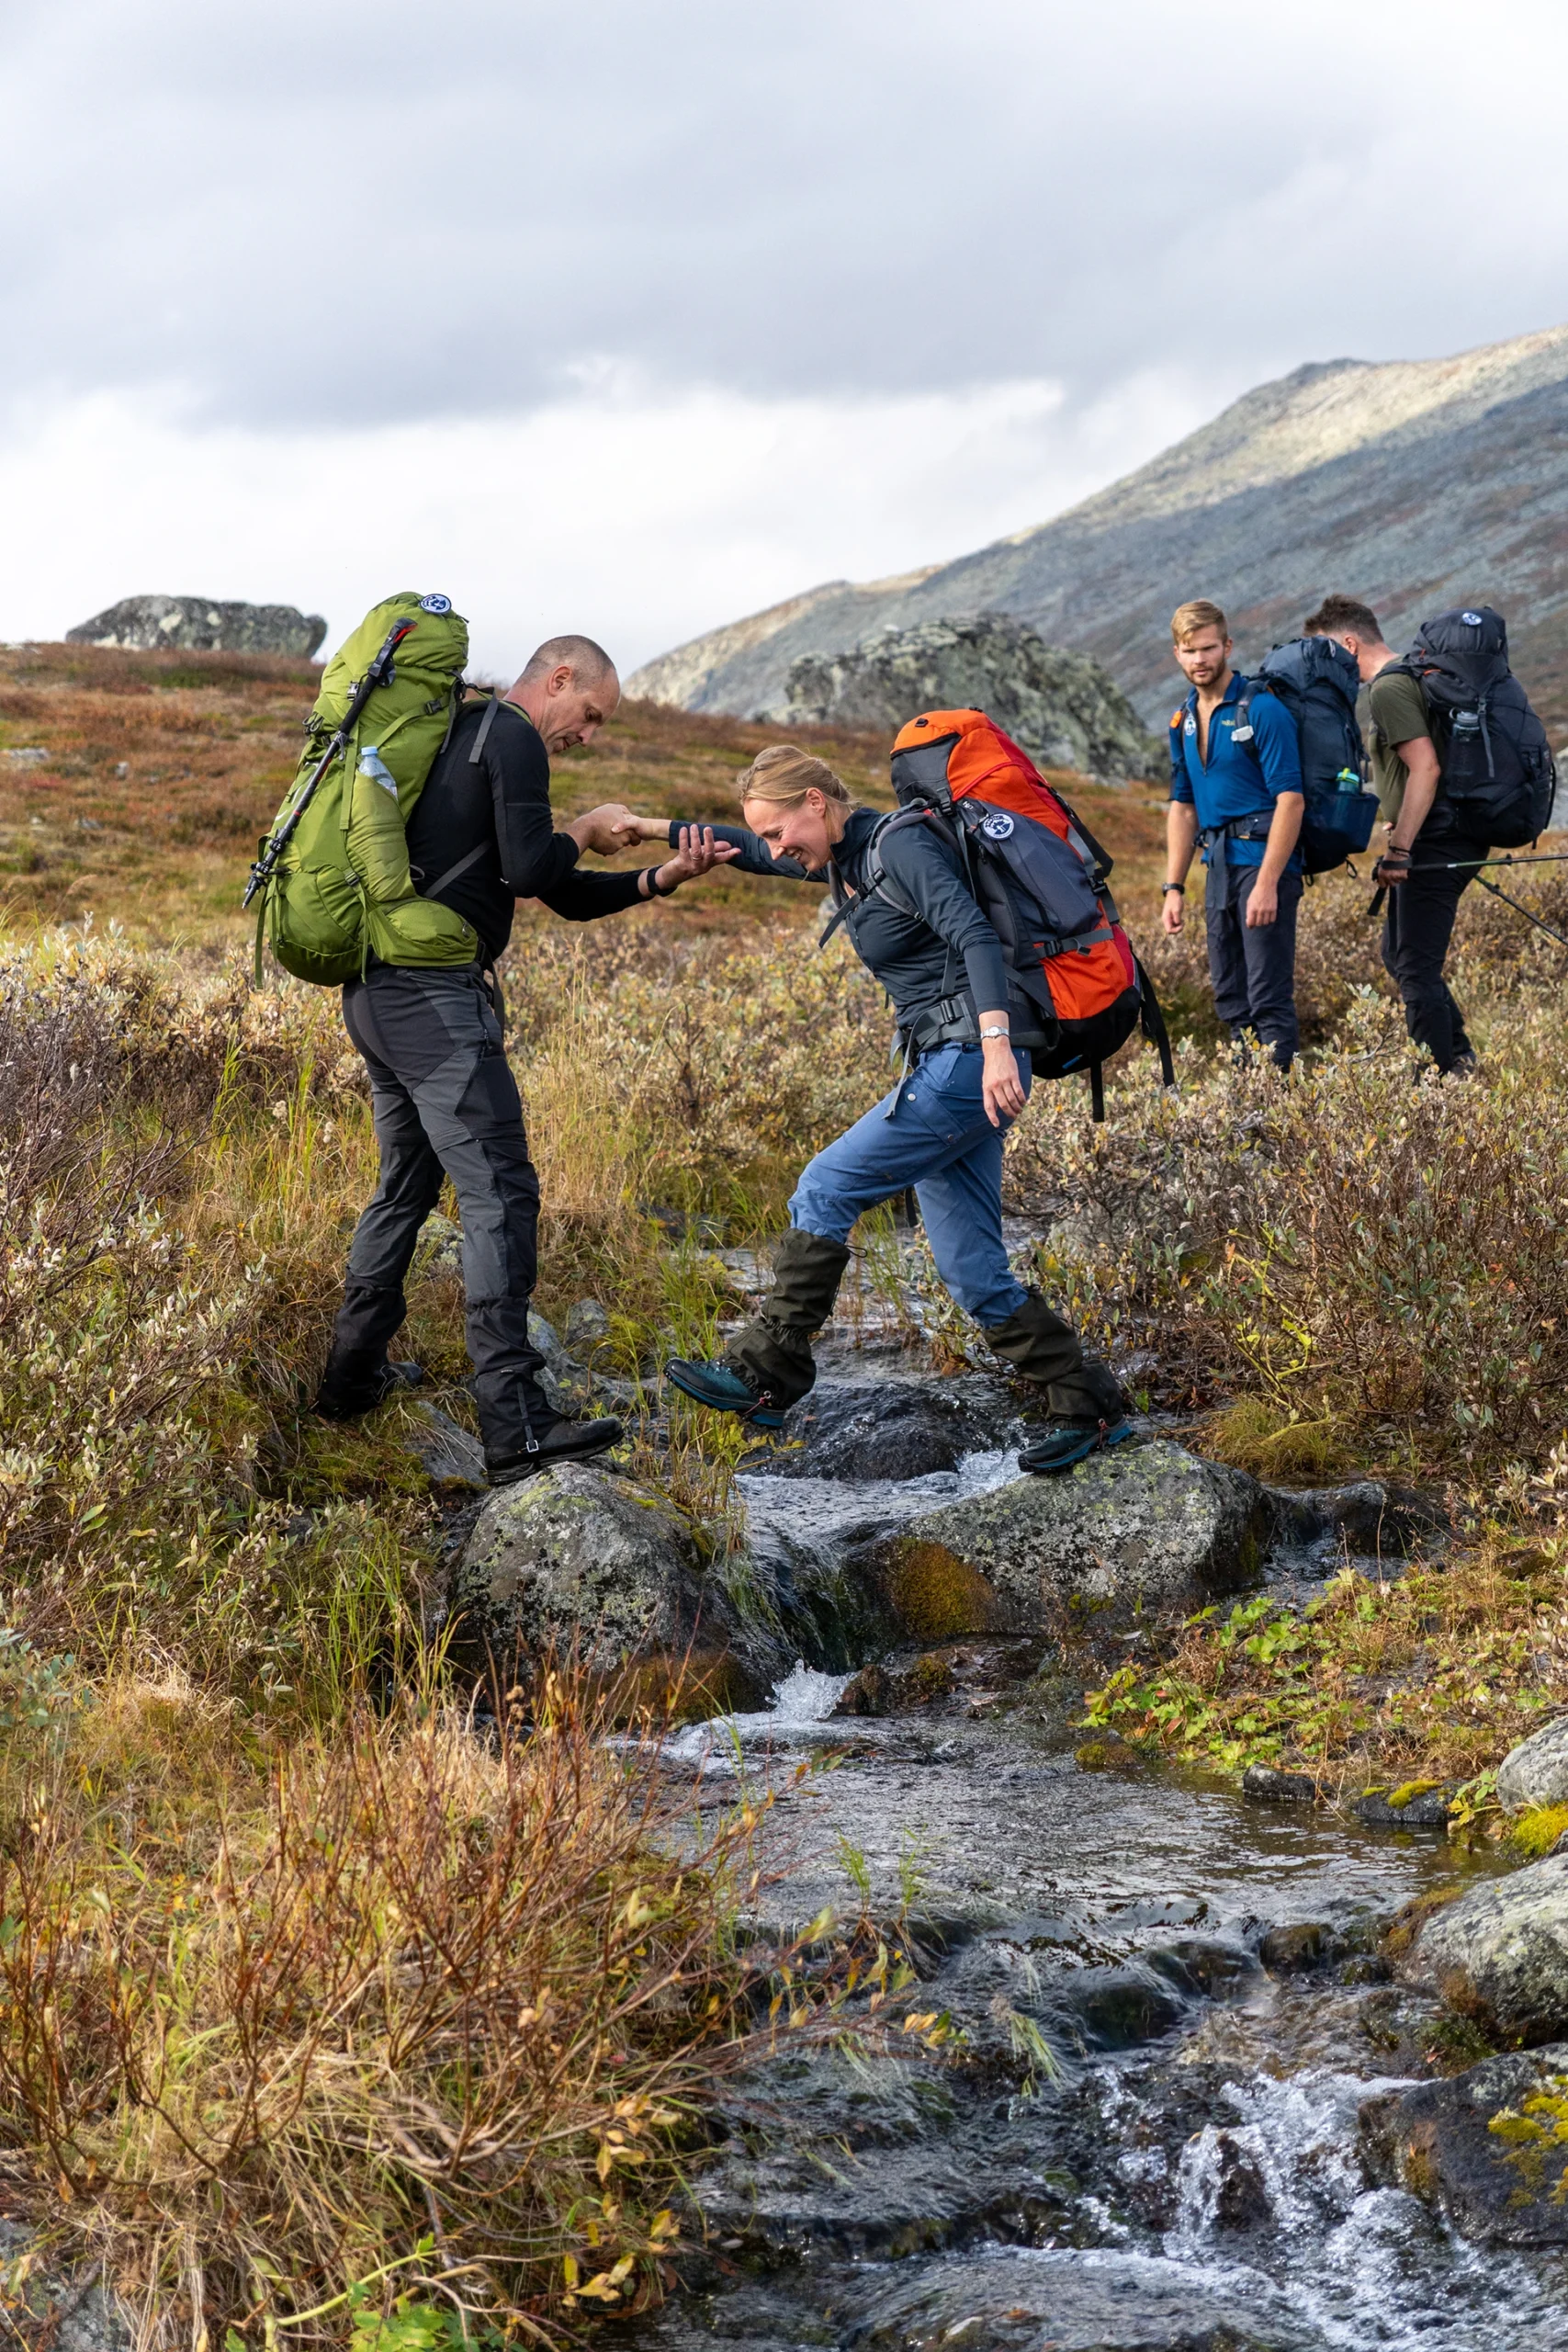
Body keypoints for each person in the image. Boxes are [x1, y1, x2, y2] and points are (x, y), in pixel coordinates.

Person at [617, 746, 1131, 1475]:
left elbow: (974, 936)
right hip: (952, 1062)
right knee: (973, 1272)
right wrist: (647, 827)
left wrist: (990, 1048)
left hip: (969, 1061)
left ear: (815, 804)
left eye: (779, 829)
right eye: (765, 835)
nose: (775, 847)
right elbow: (747, 853)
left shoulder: (901, 844)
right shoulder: (844, 860)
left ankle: (768, 1371)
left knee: (825, 1187)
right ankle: (1091, 1407)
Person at [313, 634, 736, 1484]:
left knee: (406, 1184)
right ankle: (516, 1426)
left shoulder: (464, 735)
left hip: (379, 993)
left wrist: (660, 879)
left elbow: (552, 891)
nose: (589, 735)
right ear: (560, 678)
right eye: (590, 715)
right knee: (500, 1191)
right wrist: (579, 827)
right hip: (434, 1002)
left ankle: (349, 1382)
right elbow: (534, 864)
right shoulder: (507, 732)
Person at [1303, 593, 1478, 1077]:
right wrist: (1399, 818)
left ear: (1350, 643)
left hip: (1436, 840)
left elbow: (1427, 768)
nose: (1323, 664)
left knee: (1414, 966)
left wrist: (1399, 848)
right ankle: (1459, 1055)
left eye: (1327, 651)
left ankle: (1441, 1080)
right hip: (1438, 831)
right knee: (1397, 954)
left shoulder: (1388, 687)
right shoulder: (1415, 677)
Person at [1163, 599, 1306, 1069]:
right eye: (1190, 651)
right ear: (1178, 654)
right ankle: (1252, 1103)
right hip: (1217, 867)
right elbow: (1183, 807)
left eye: (1208, 648)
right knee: (1231, 996)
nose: (1200, 660)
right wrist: (1173, 887)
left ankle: (1285, 1113)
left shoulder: (1262, 710)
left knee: (1267, 996)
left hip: (1263, 865)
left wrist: (1267, 883)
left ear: (1227, 646)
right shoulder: (1182, 720)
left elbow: (1291, 800)